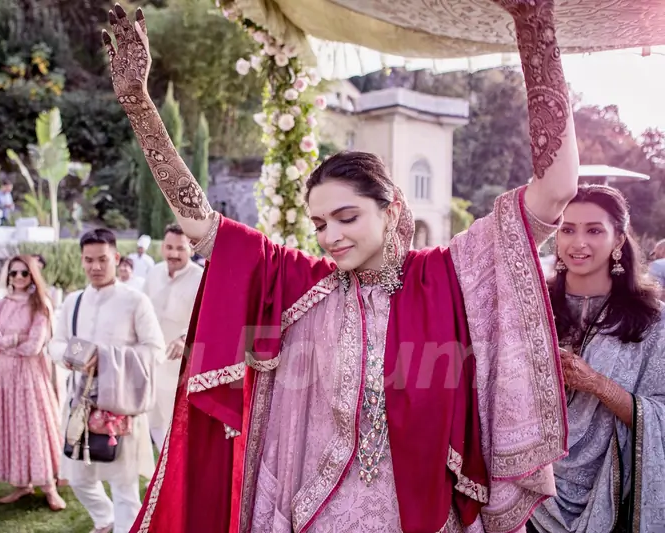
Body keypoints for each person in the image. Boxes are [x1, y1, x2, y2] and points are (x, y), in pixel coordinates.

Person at [103, 1, 578, 531]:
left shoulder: (449, 273)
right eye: (319, 223)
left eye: (346, 217)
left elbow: (557, 190)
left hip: (419, 511)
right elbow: (202, 226)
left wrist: (534, 26)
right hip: (318, 512)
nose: (330, 236)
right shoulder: (306, 284)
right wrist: (138, 105)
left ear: (390, 207)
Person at [528, 185, 665, 532]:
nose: (578, 243)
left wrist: (597, 384)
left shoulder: (653, 322)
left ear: (618, 239)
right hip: (528, 494)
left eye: (594, 230)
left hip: (611, 496)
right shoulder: (530, 307)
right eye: (567, 229)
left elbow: (661, 412)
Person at [49, 228, 165, 533]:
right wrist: (78, 355)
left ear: (115, 258)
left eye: (102, 259)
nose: (95, 267)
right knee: (77, 477)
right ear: (82, 261)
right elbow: (56, 344)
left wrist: (108, 359)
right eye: (89, 260)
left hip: (120, 405)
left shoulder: (135, 301)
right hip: (80, 404)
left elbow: (155, 349)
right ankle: (105, 520)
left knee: (123, 485)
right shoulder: (73, 301)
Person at [0, 255, 66, 511]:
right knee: (10, 426)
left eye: (24, 273)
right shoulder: (0, 304)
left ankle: (49, 486)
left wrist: (5, 344)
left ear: (32, 275)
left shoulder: (40, 305)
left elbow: (34, 346)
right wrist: (11, 340)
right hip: (2, 376)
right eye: (13, 273)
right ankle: (21, 483)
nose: (18, 278)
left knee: (34, 426)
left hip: (29, 375)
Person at [143, 223, 203, 450]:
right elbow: (141, 312)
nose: (173, 254)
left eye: (180, 248)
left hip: (181, 364)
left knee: (177, 422)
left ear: (191, 248)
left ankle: (178, 473)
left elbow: (205, 318)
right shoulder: (154, 273)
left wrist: (183, 338)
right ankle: (163, 471)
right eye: (169, 247)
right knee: (152, 419)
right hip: (151, 363)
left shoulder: (200, 278)